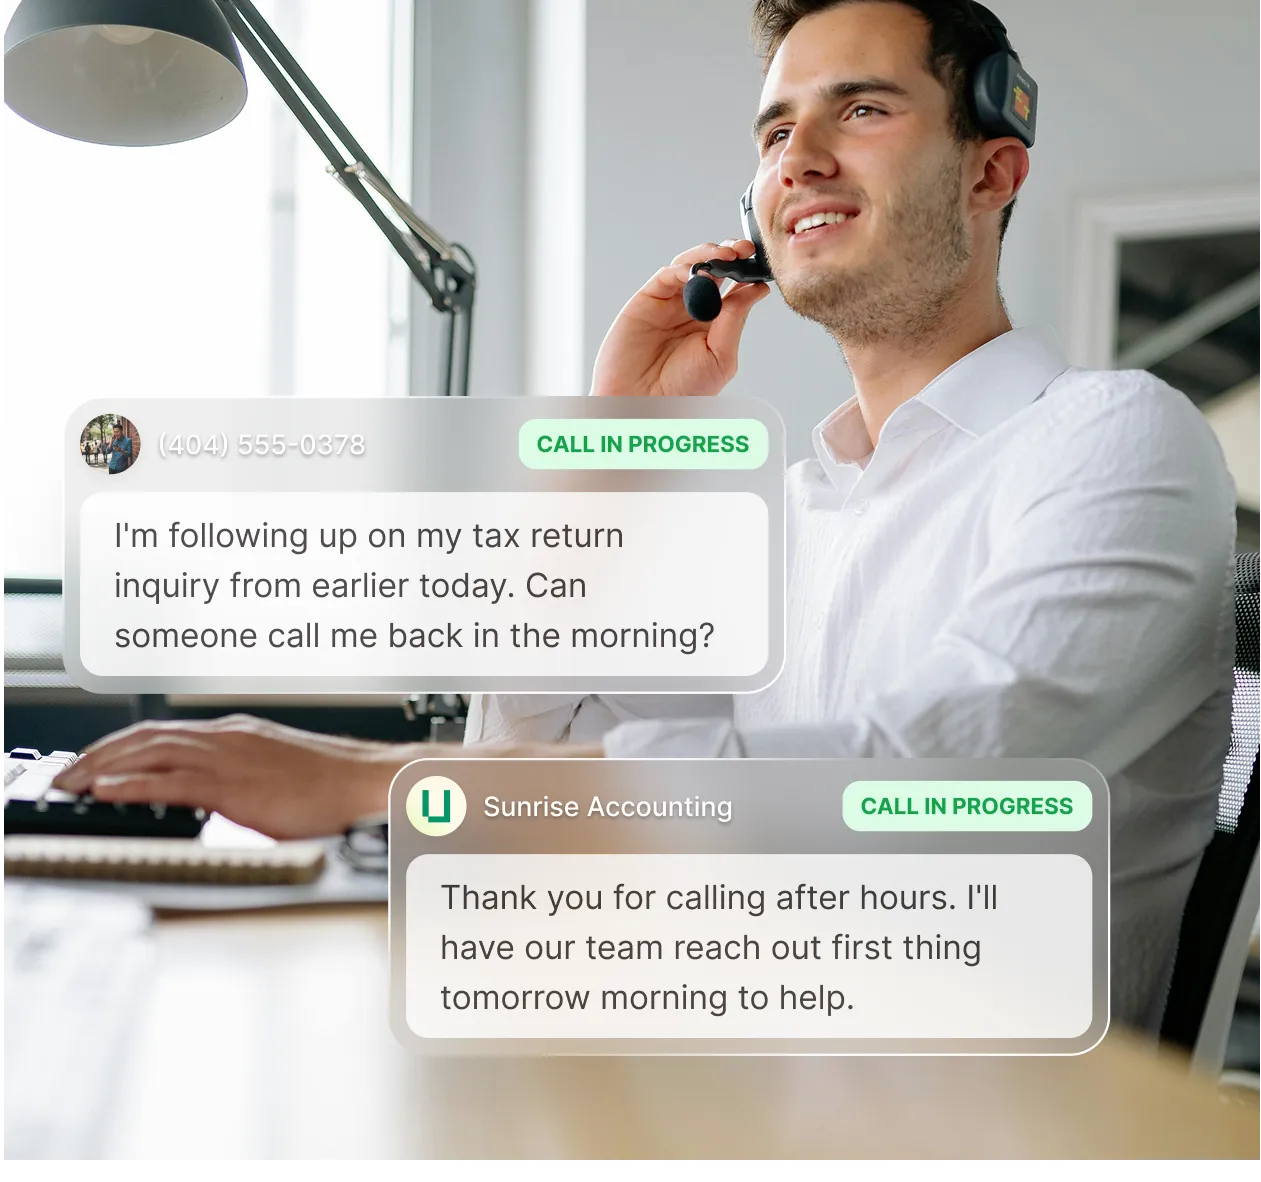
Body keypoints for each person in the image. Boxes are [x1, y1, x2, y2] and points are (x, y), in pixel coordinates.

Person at [55, 0, 1236, 1029]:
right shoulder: (790, 509)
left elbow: (943, 781)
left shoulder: (1113, 435)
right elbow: (519, 762)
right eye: (776, 132)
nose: (800, 159)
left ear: (991, 171)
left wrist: (370, 779)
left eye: (862, 110)